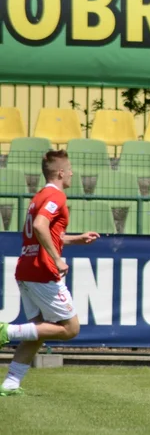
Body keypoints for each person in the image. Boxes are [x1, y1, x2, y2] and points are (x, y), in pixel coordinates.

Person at [0, 150, 99, 396]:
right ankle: (5, 331)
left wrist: (77, 239)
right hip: (43, 270)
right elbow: (39, 226)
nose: (73, 173)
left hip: (26, 268)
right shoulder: (57, 196)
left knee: (37, 332)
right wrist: (58, 259)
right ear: (61, 173)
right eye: (70, 169)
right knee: (70, 328)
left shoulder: (39, 196)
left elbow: (49, 232)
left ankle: (11, 384)